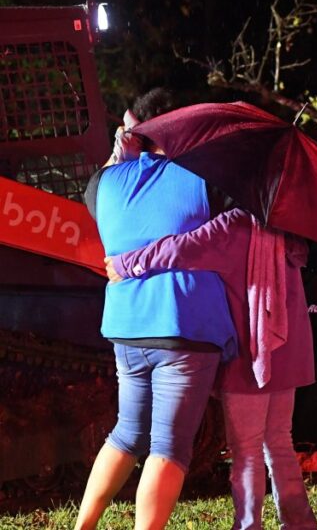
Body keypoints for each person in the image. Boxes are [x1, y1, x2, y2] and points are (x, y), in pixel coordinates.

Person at [75, 88, 237, 530]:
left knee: (127, 433)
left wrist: (123, 148)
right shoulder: (204, 178)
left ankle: (83, 526)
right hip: (183, 325)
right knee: (169, 447)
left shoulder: (102, 184)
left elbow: (102, 190)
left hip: (126, 327)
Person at [106, 207, 317, 530]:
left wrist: (125, 263)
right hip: (287, 352)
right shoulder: (287, 229)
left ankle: (248, 526)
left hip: (252, 352)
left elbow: (179, 249)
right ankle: (300, 524)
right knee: (279, 441)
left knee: (246, 450)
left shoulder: (233, 226)